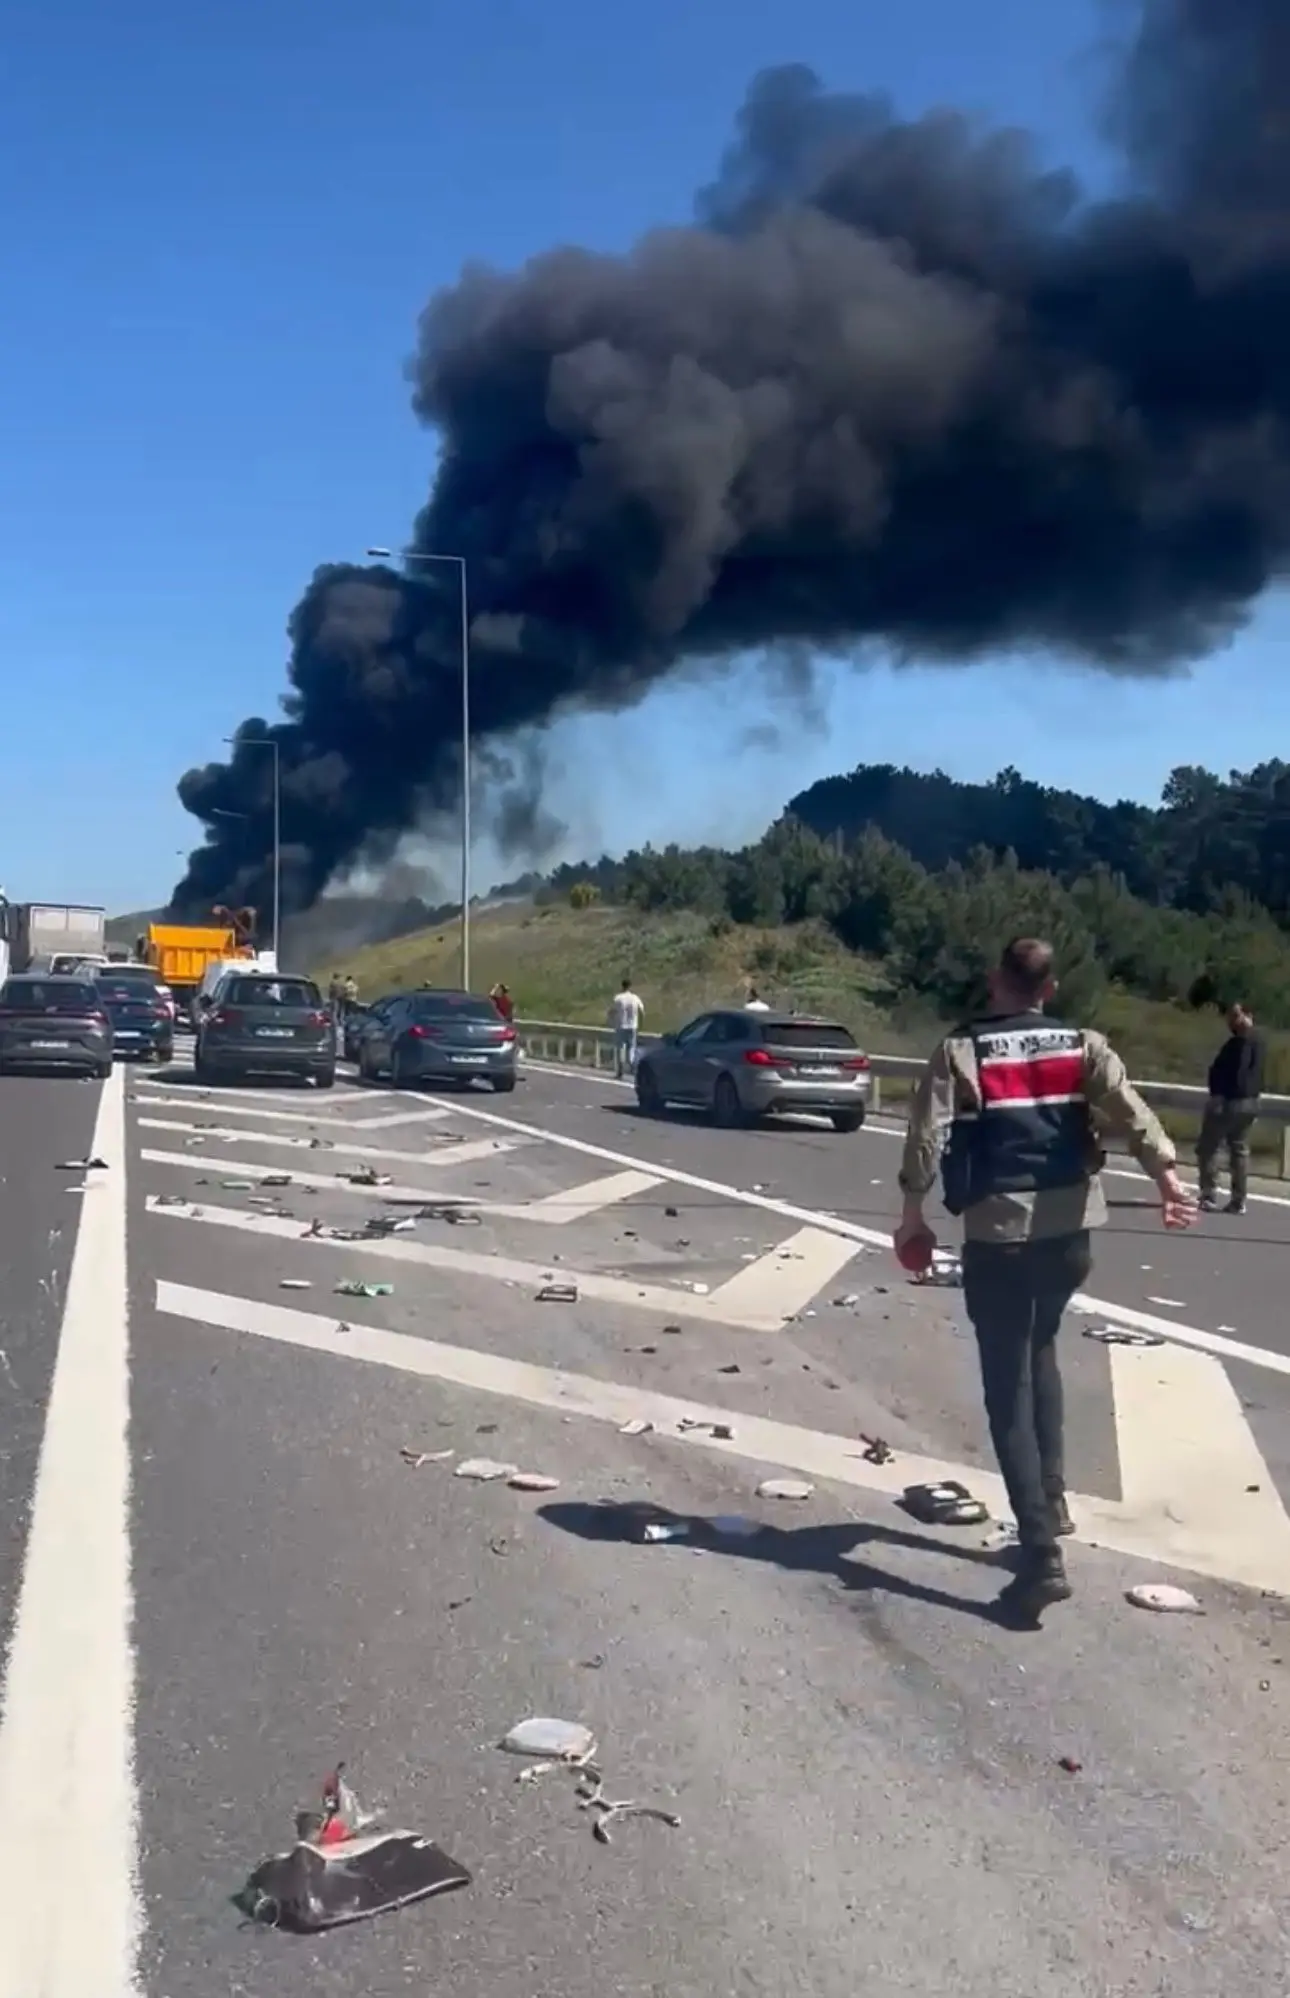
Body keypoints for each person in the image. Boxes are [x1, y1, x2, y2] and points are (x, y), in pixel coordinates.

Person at [894, 936, 1195, 1623]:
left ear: (996, 977)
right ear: (1050, 989)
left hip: (1000, 1234)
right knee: (1042, 1351)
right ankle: (1052, 1505)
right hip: (1070, 1233)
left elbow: (926, 1136)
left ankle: (1038, 1557)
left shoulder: (961, 1050)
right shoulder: (1084, 1045)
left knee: (1008, 1390)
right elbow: (1130, 1110)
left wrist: (912, 1215)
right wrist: (1168, 1176)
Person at [1197, 1003, 1264, 1215]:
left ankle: (1208, 1194)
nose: (1231, 1021)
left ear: (1248, 1015)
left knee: (1209, 1146)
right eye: (1230, 1016)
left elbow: (1238, 1073)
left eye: (1236, 1016)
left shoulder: (1241, 1042)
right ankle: (1238, 1199)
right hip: (1250, 1102)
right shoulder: (1259, 1041)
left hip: (1230, 1101)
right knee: (1239, 1150)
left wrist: (1220, 1096)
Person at [606, 975, 644, 1078]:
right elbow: (641, 1011)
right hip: (633, 1026)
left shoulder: (618, 998)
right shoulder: (635, 998)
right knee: (631, 1049)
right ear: (630, 986)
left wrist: (610, 1021)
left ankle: (620, 1072)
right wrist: (640, 1023)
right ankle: (633, 1069)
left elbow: (611, 1011)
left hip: (621, 1026)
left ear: (622, 986)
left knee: (620, 1049)